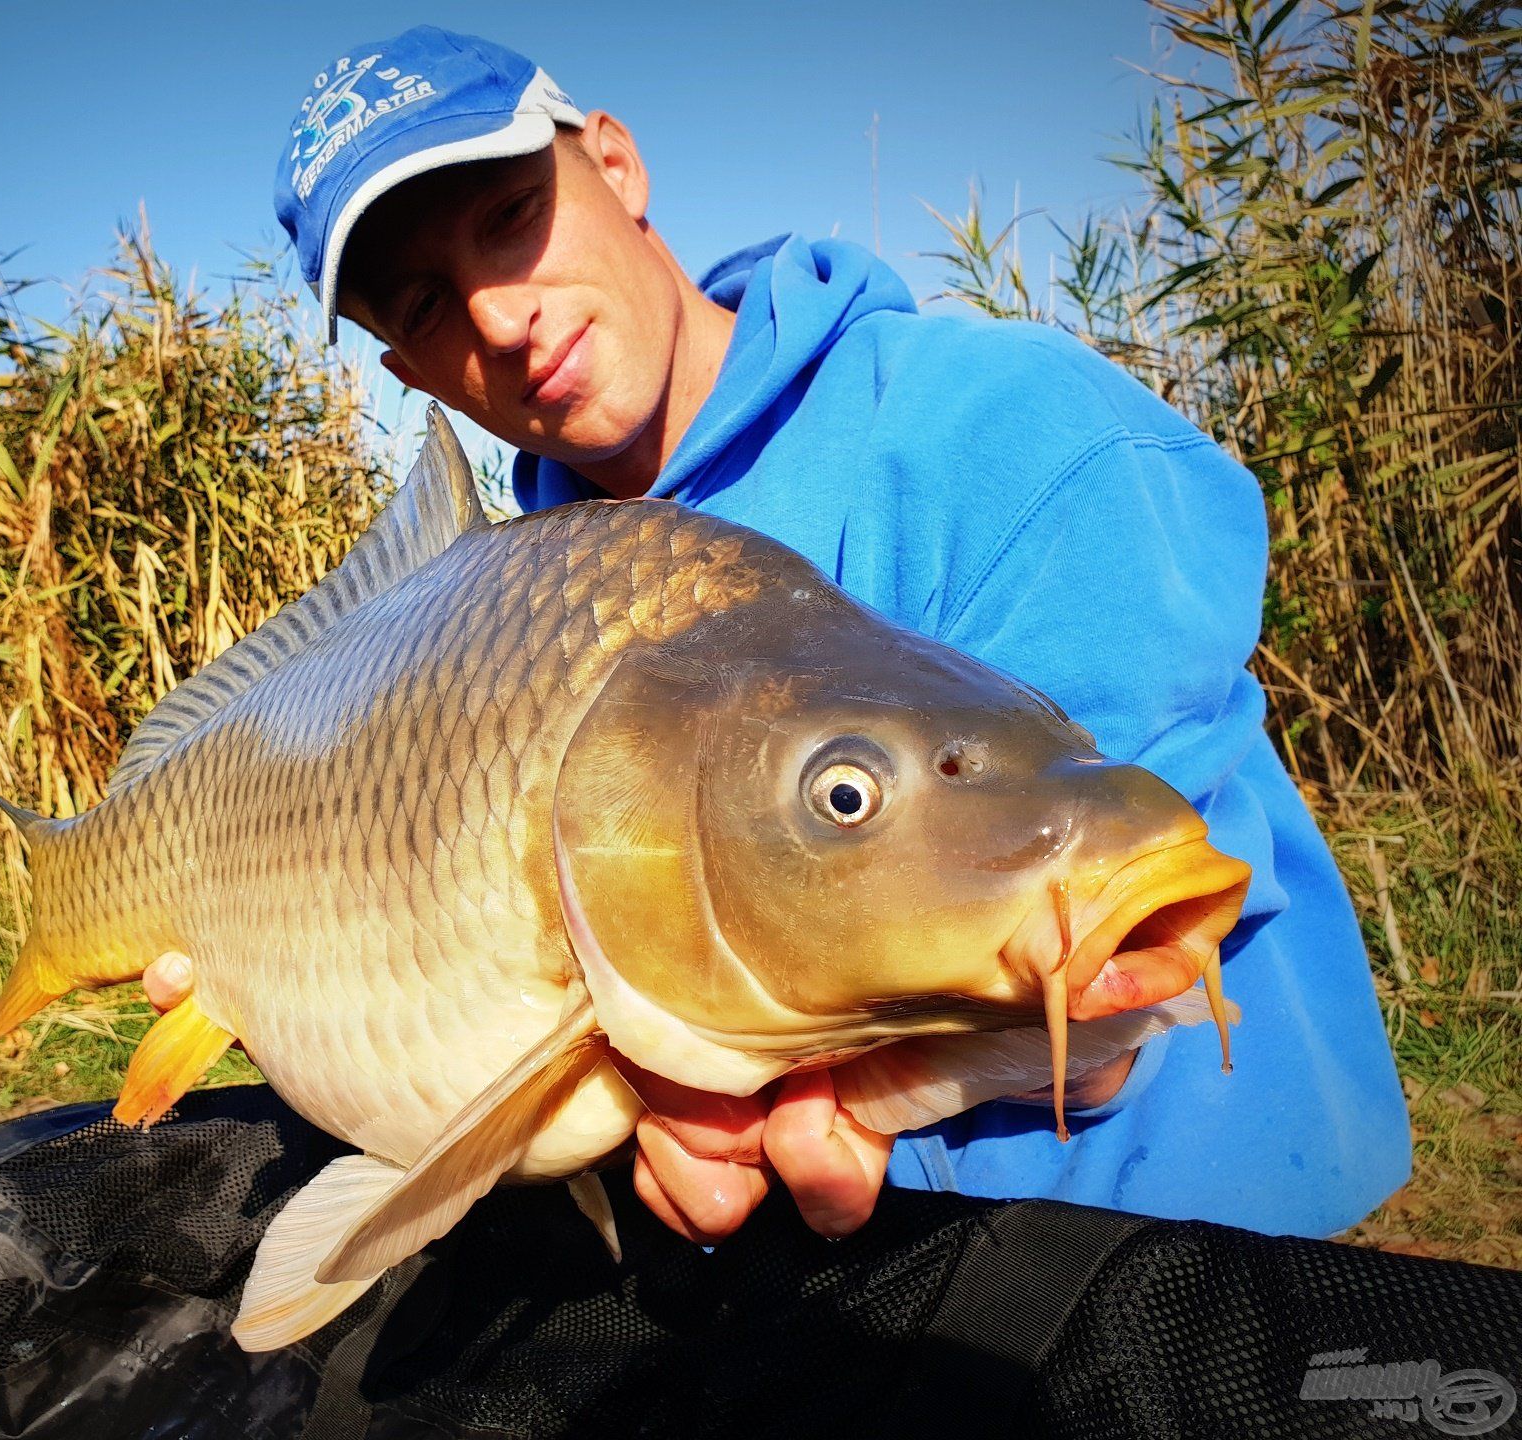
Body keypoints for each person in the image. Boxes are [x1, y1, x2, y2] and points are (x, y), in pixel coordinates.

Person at [150, 24, 1409, 1245]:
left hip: (1183, 1236)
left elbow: (1136, 927)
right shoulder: (494, 616)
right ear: (408, 373)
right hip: (810, 1295)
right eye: (426, 305)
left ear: (616, 163)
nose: (499, 318)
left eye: (507, 222)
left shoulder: (1009, 427)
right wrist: (310, 982)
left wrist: (835, 1086)